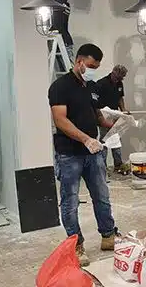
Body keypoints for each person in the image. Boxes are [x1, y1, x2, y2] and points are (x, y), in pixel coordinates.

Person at [49, 43, 119, 267]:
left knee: (102, 195)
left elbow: (95, 112)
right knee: (70, 202)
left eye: (96, 67)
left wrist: (112, 124)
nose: (93, 70)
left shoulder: (91, 86)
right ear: (79, 61)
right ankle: (76, 245)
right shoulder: (60, 86)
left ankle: (108, 235)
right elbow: (60, 119)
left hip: (93, 153)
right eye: (90, 66)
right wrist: (85, 139)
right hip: (69, 155)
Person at [96, 65, 129, 172]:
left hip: (115, 115)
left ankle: (118, 165)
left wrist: (123, 110)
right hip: (103, 116)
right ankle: (102, 167)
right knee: (105, 141)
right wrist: (101, 118)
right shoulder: (101, 84)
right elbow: (95, 103)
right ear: (114, 73)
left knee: (116, 140)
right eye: (119, 77)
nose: (120, 80)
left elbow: (120, 98)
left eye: (122, 78)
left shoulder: (119, 83)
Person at [50, 0, 73, 70]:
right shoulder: (62, 4)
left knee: (67, 69)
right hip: (63, 40)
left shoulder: (61, 5)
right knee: (62, 69)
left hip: (64, 41)